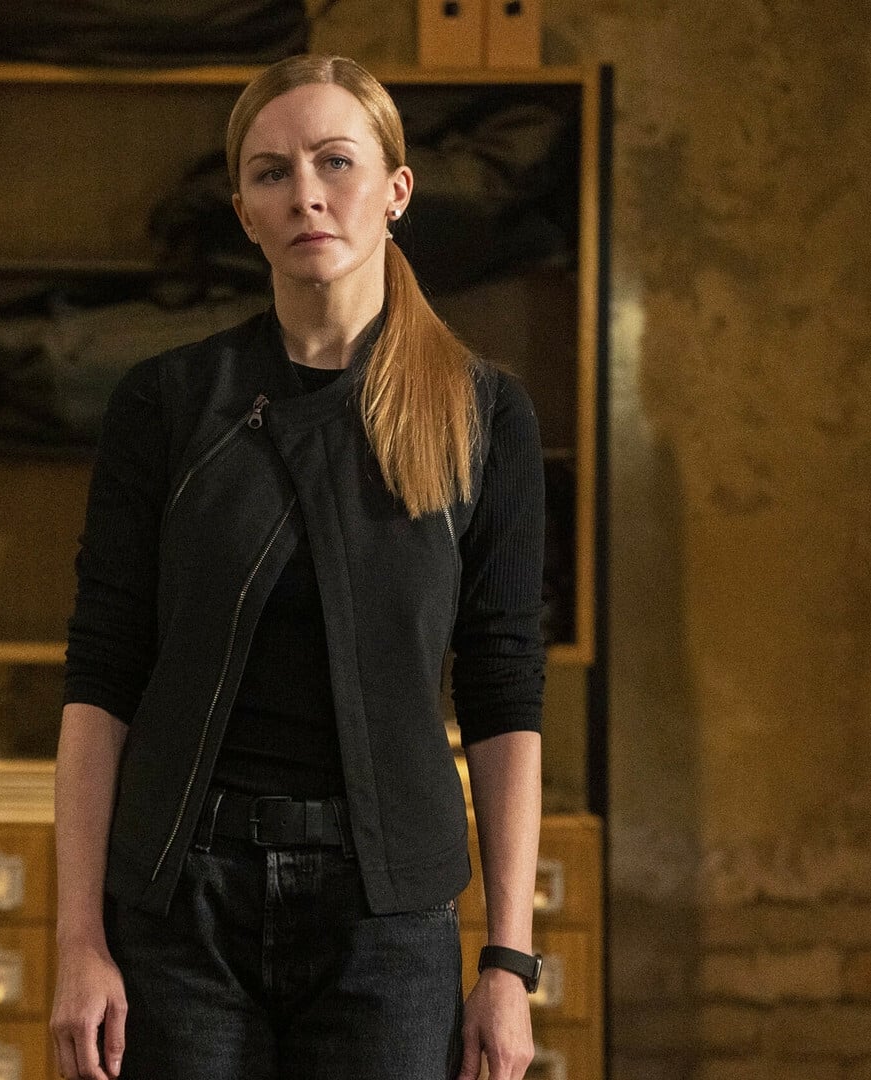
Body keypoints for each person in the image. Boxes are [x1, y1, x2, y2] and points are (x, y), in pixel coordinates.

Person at [51, 54, 546, 1080]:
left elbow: (504, 690)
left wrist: (507, 961)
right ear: (244, 212)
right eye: (272, 172)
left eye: (335, 162)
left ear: (397, 190)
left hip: (387, 916)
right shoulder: (168, 401)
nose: (306, 194)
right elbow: (102, 674)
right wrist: (77, 939)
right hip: (183, 908)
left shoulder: (483, 412)